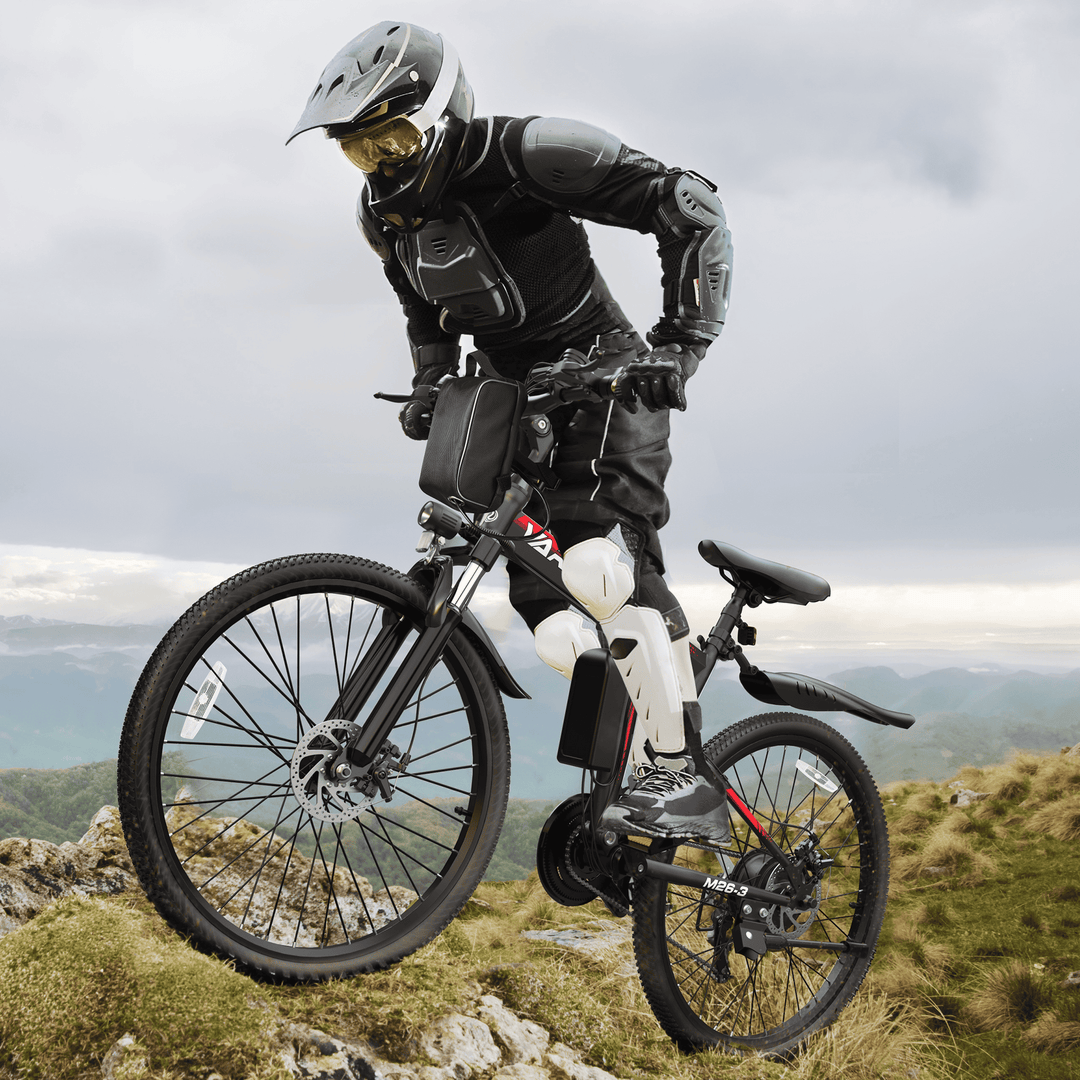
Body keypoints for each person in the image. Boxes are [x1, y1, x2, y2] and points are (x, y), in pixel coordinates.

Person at [288, 21, 733, 844]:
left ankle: (684, 779)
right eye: (359, 150)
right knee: (559, 631)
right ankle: (620, 788)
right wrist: (428, 381)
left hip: (609, 379)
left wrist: (680, 344)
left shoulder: (531, 153)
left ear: (440, 112)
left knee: (602, 569)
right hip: (511, 403)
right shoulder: (381, 216)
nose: (379, 163)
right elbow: (422, 306)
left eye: (389, 137)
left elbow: (688, 205)